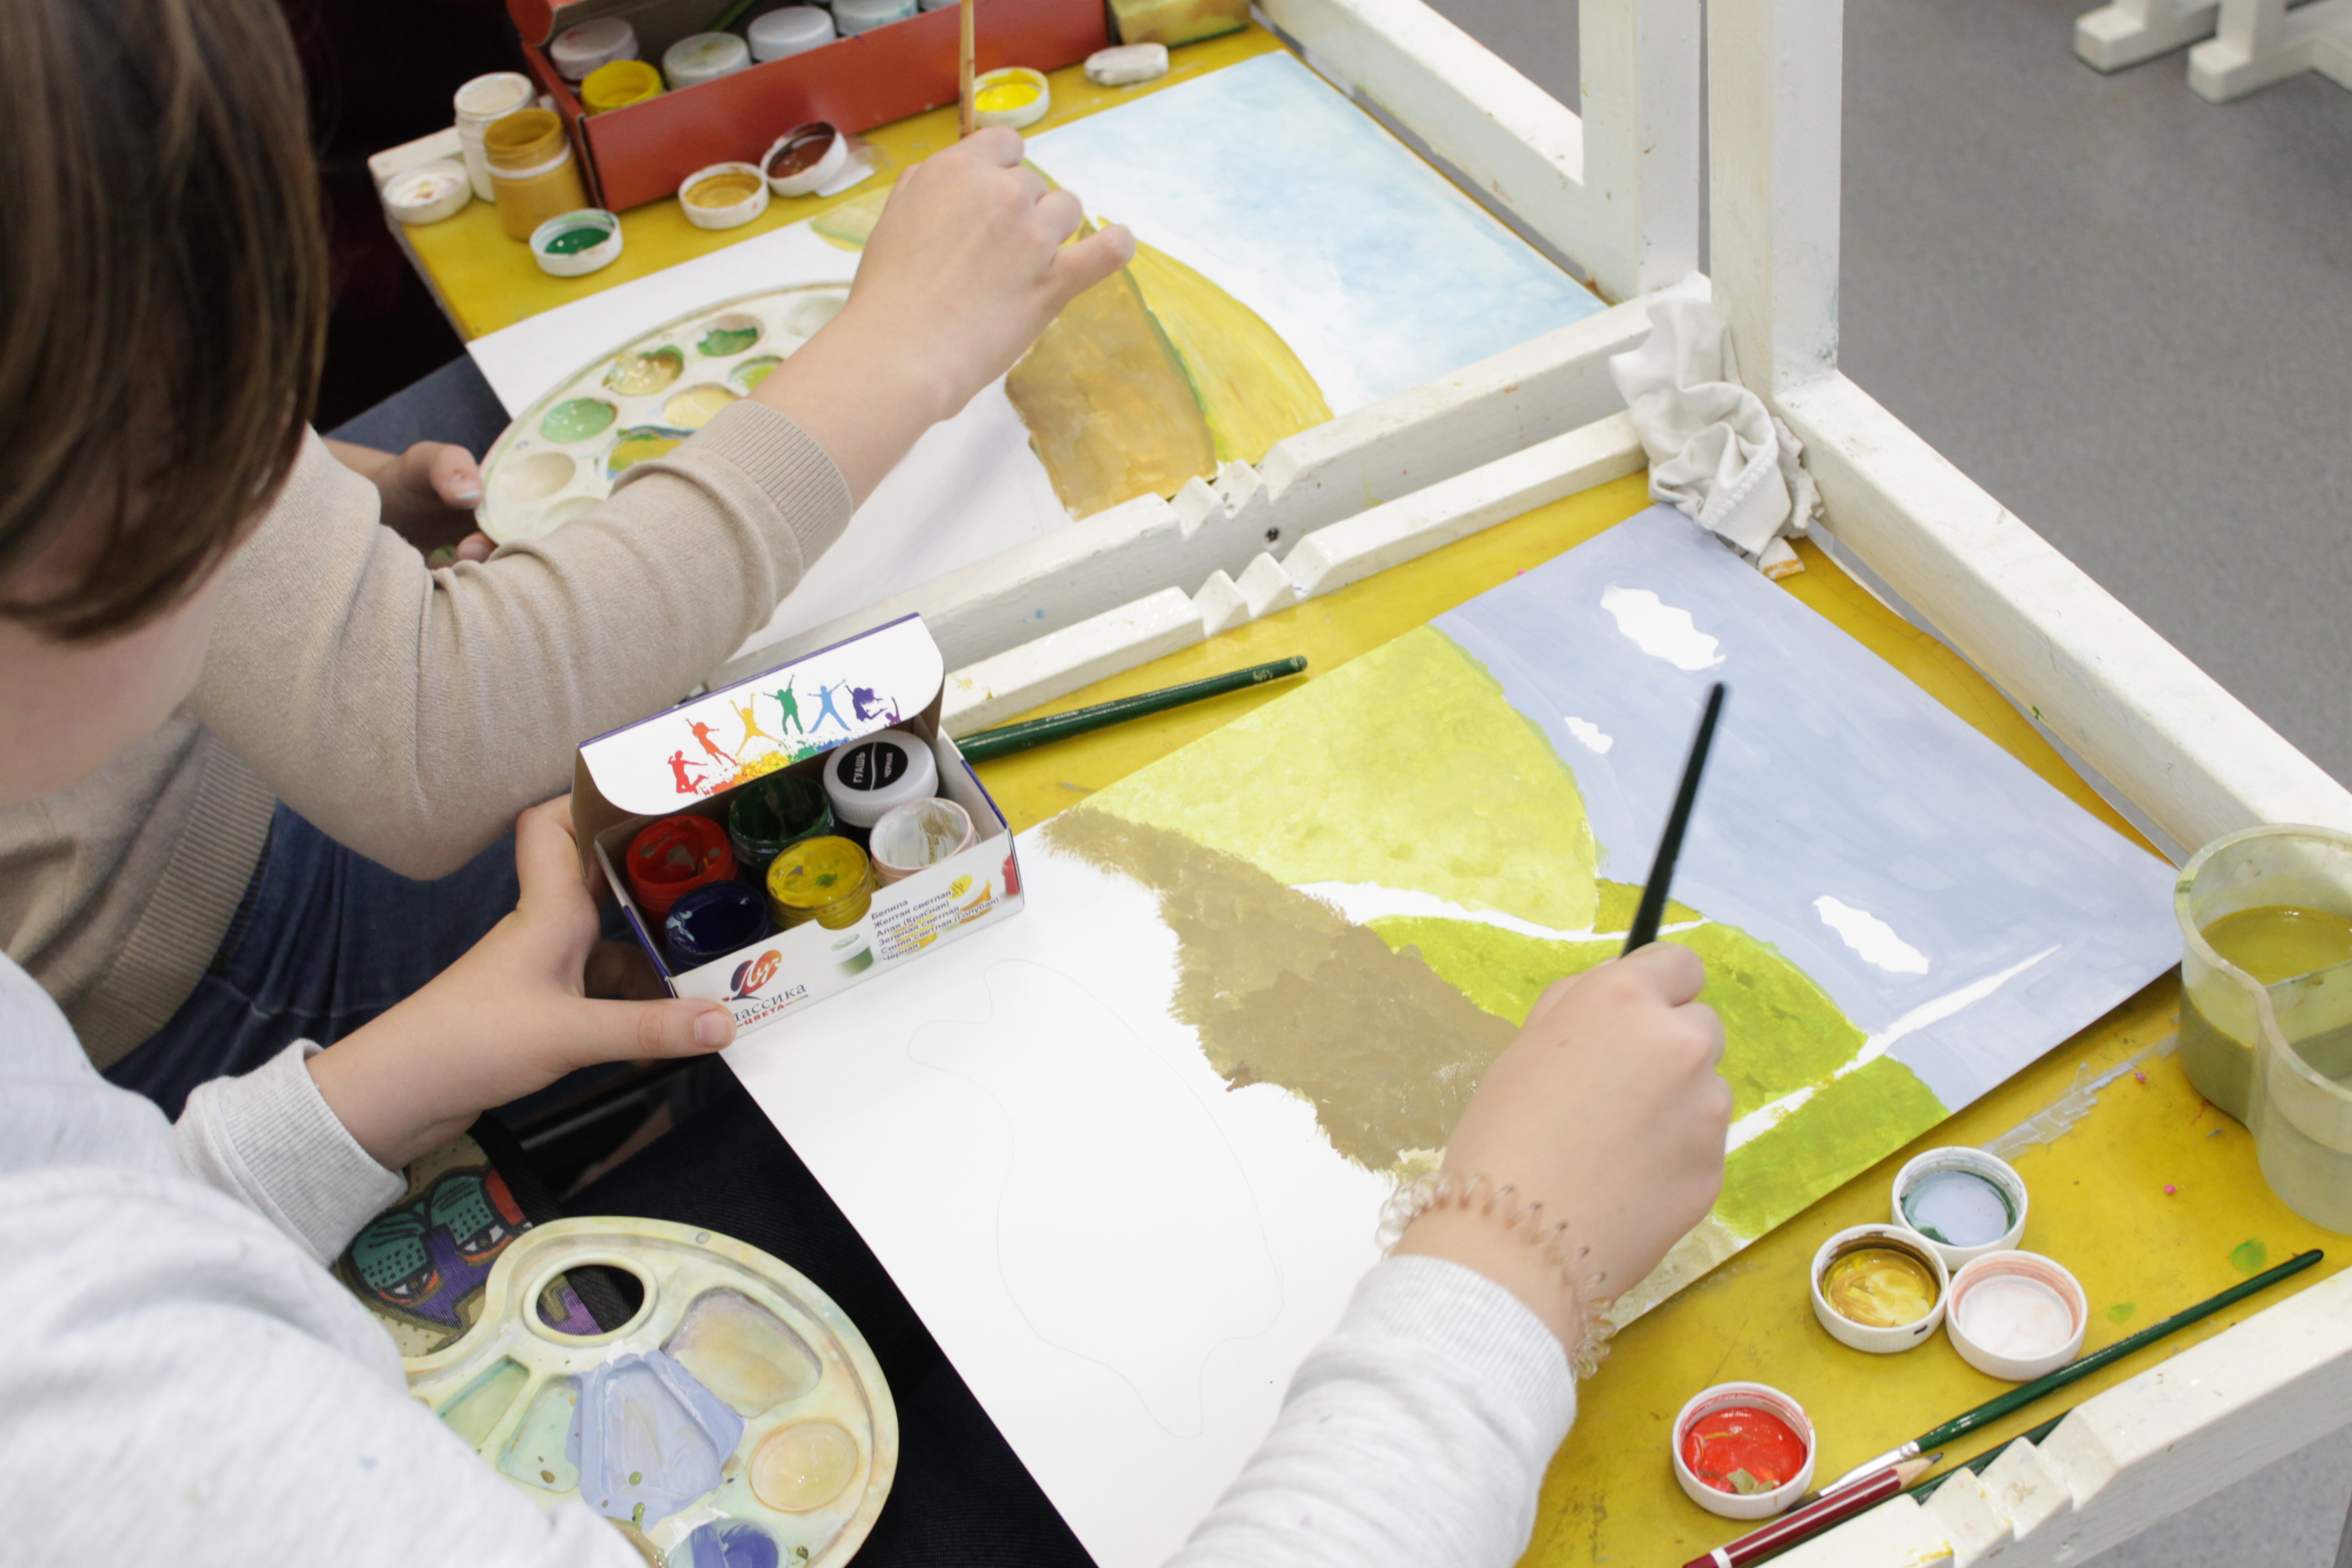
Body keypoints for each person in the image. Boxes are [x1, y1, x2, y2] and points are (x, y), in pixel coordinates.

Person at [0, 1, 1734, 1562]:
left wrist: (374, 1089)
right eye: (231, 423)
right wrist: (1511, 1263)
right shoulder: (110, 1408)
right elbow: (431, 732)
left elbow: (111, 1195)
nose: (278, 490)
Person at [0, 13, 1134, 1119]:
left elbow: (140, 408)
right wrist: (906, 347)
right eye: (189, 444)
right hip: (197, 932)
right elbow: (436, 733)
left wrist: (327, 497)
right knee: (885, 813)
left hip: (184, 735)